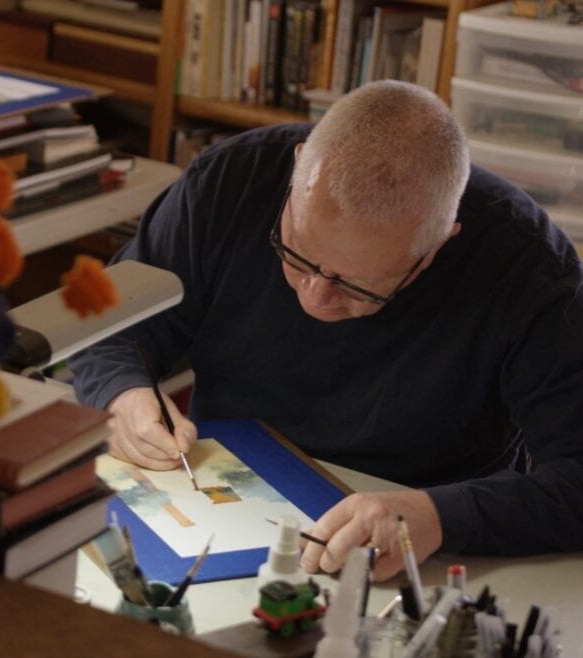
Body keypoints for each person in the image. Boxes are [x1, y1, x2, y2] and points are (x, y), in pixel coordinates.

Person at [70, 80, 583, 581]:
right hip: (213, 497)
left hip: (409, 549)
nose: (315, 298)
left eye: (360, 286)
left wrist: (440, 516)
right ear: (296, 173)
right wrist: (121, 394)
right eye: (296, 254)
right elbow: (108, 323)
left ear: (436, 248)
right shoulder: (230, 182)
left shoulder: (530, 272)